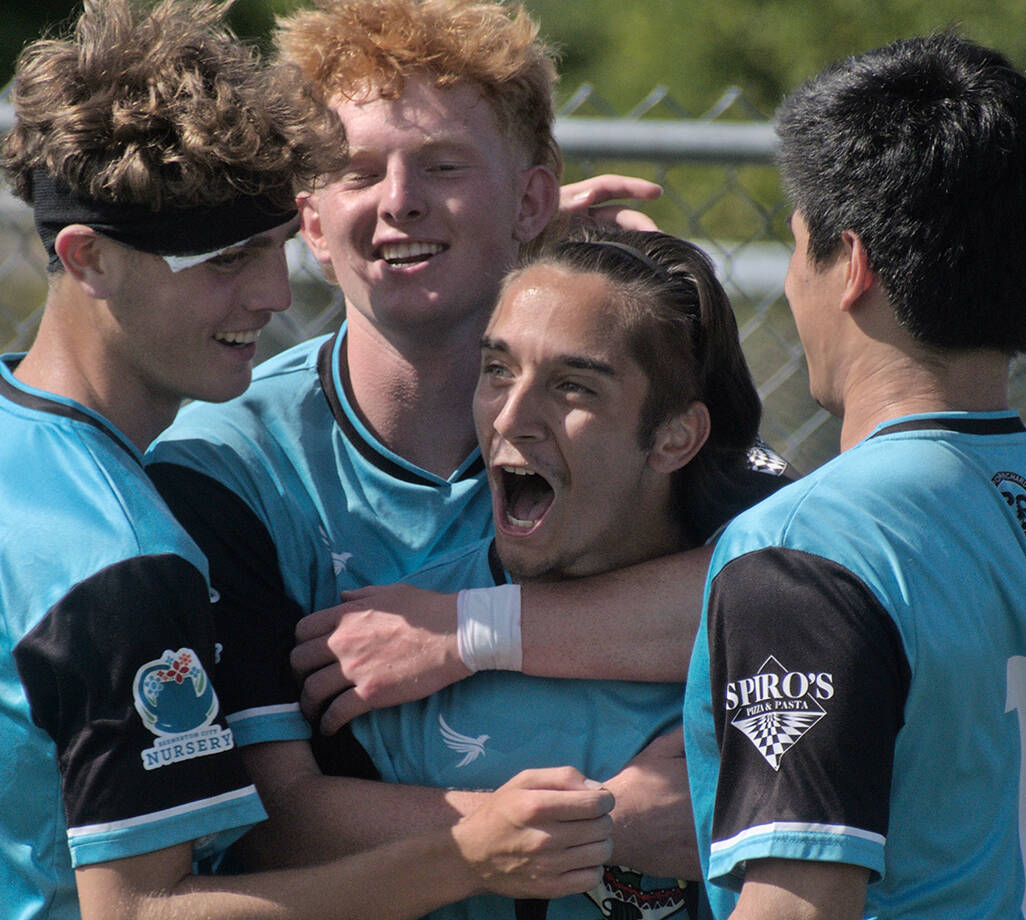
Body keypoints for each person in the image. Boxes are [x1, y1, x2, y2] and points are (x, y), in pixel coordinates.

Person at [150, 0, 794, 879]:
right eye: (360, 172)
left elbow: (805, 589)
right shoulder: (228, 465)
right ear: (309, 221)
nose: (400, 203)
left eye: (444, 165)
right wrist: (601, 825)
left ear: (532, 196)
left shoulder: (639, 391)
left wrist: (467, 631)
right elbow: (269, 821)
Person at [0, 1, 616, 917]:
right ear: (87, 258)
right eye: (224, 260)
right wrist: (470, 854)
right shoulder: (133, 549)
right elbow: (140, 910)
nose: (271, 291)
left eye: (274, 248)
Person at [681, 32, 1026, 918]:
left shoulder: (807, 546)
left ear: (851, 265)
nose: (791, 283)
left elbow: (801, 903)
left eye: (797, 249)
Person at [348, 226, 788, 919]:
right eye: (497, 370)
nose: (512, 417)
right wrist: (596, 824)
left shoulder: (776, 645)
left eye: (573, 386)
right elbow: (288, 844)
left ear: (675, 437)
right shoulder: (393, 639)